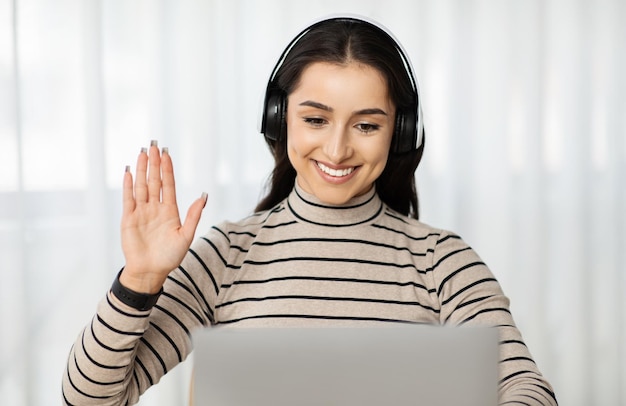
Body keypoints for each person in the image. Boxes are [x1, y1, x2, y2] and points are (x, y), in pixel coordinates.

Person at [62, 16, 557, 405]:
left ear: (399, 133)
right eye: (316, 119)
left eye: (366, 125)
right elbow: (89, 400)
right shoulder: (228, 254)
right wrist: (141, 278)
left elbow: (528, 391)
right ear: (280, 121)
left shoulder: (442, 260)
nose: (337, 150)